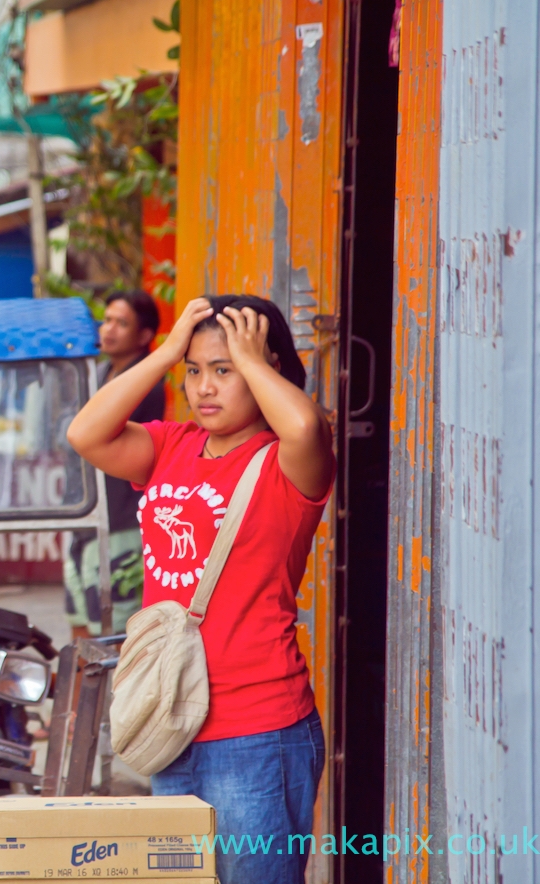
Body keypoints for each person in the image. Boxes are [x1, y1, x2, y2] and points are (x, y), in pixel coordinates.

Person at [65, 295, 334, 884]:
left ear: (269, 372)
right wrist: (164, 351)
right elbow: (85, 432)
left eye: (224, 369)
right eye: (194, 371)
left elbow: (307, 423)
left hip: (258, 732)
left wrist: (253, 357)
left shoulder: (288, 460)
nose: (204, 388)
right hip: (170, 724)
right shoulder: (171, 445)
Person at [64, 289, 163, 639]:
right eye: (106, 320)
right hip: (84, 515)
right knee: (79, 620)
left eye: (122, 323)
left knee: (115, 633)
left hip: (121, 519)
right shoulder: (98, 372)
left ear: (145, 336)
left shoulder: (146, 383)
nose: (108, 330)